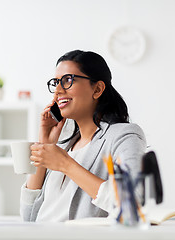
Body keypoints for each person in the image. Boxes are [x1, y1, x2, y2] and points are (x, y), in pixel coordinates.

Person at [20, 50, 146, 222]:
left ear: (97, 89)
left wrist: (66, 165)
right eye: (56, 82)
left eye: (67, 80)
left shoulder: (124, 136)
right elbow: (28, 216)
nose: (57, 90)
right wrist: (45, 143)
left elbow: (133, 202)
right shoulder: (64, 146)